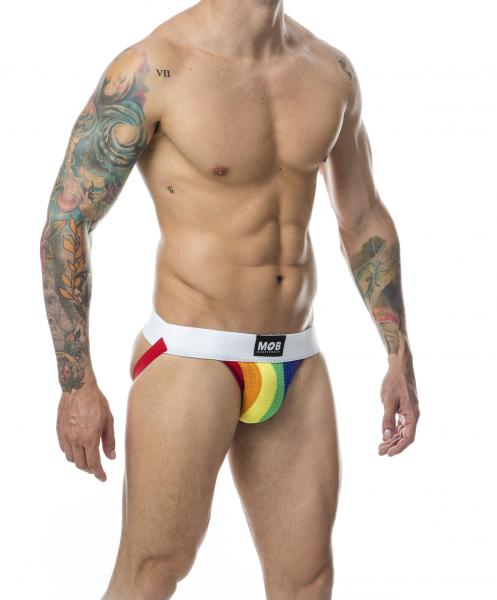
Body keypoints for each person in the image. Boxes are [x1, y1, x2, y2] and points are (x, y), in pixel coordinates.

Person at [40, 1, 420, 598]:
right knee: (153, 569)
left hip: (295, 361)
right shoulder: (152, 69)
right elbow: (68, 220)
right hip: (193, 354)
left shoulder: (330, 71)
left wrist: (398, 352)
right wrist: (75, 383)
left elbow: (363, 216)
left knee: (308, 580)